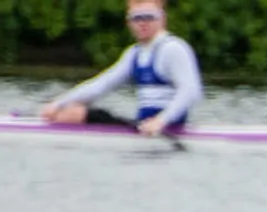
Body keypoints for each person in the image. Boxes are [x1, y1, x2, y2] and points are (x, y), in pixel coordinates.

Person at [38, 0, 200, 138]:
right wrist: (59, 102)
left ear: (162, 19)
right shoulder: (135, 53)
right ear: (129, 22)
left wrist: (161, 121)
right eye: (137, 18)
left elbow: (190, 91)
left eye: (149, 17)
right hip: (144, 126)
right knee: (67, 112)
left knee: (71, 115)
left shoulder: (173, 49)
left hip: (169, 128)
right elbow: (102, 84)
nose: (142, 23)